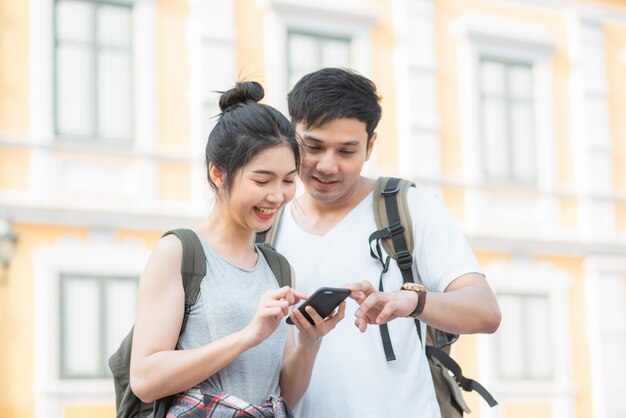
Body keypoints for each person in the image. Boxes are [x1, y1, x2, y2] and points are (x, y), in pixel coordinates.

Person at [270, 68, 501, 417]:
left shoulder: (408, 207)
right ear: (290, 137)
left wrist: (411, 302)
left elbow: (485, 312)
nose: (327, 165)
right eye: (313, 147)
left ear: (370, 146)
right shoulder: (266, 223)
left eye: (346, 151)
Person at [129, 81, 345, 417]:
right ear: (218, 172)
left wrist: (309, 341)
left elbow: (284, 393)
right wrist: (248, 336)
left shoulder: (278, 267)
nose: (277, 196)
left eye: (288, 180)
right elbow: (145, 378)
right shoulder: (180, 252)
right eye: (262, 180)